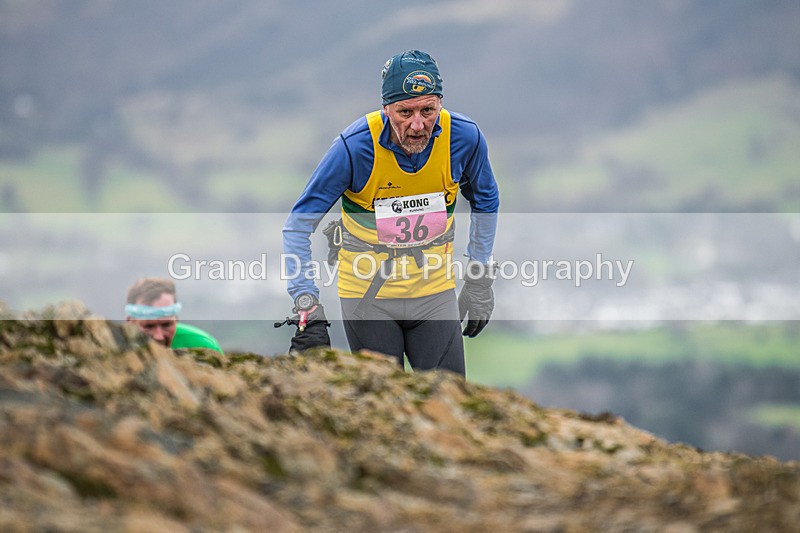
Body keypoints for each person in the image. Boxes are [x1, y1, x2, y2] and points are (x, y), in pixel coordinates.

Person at [281, 50, 498, 376]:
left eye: (428, 110)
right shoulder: (354, 147)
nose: (418, 124)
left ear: (440, 103)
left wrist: (479, 279)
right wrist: (306, 304)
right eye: (405, 112)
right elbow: (298, 225)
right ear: (386, 109)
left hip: (434, 293)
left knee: (449, 405)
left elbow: (486, 201)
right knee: (382, 410)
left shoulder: (464, 137)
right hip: (368, 299)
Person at [125, 277, 223, 353]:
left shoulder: (203, 345)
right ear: (129, 322)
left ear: (176, 320)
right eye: (149, 326)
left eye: (166, 325)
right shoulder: (116, 349)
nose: (159, 336)